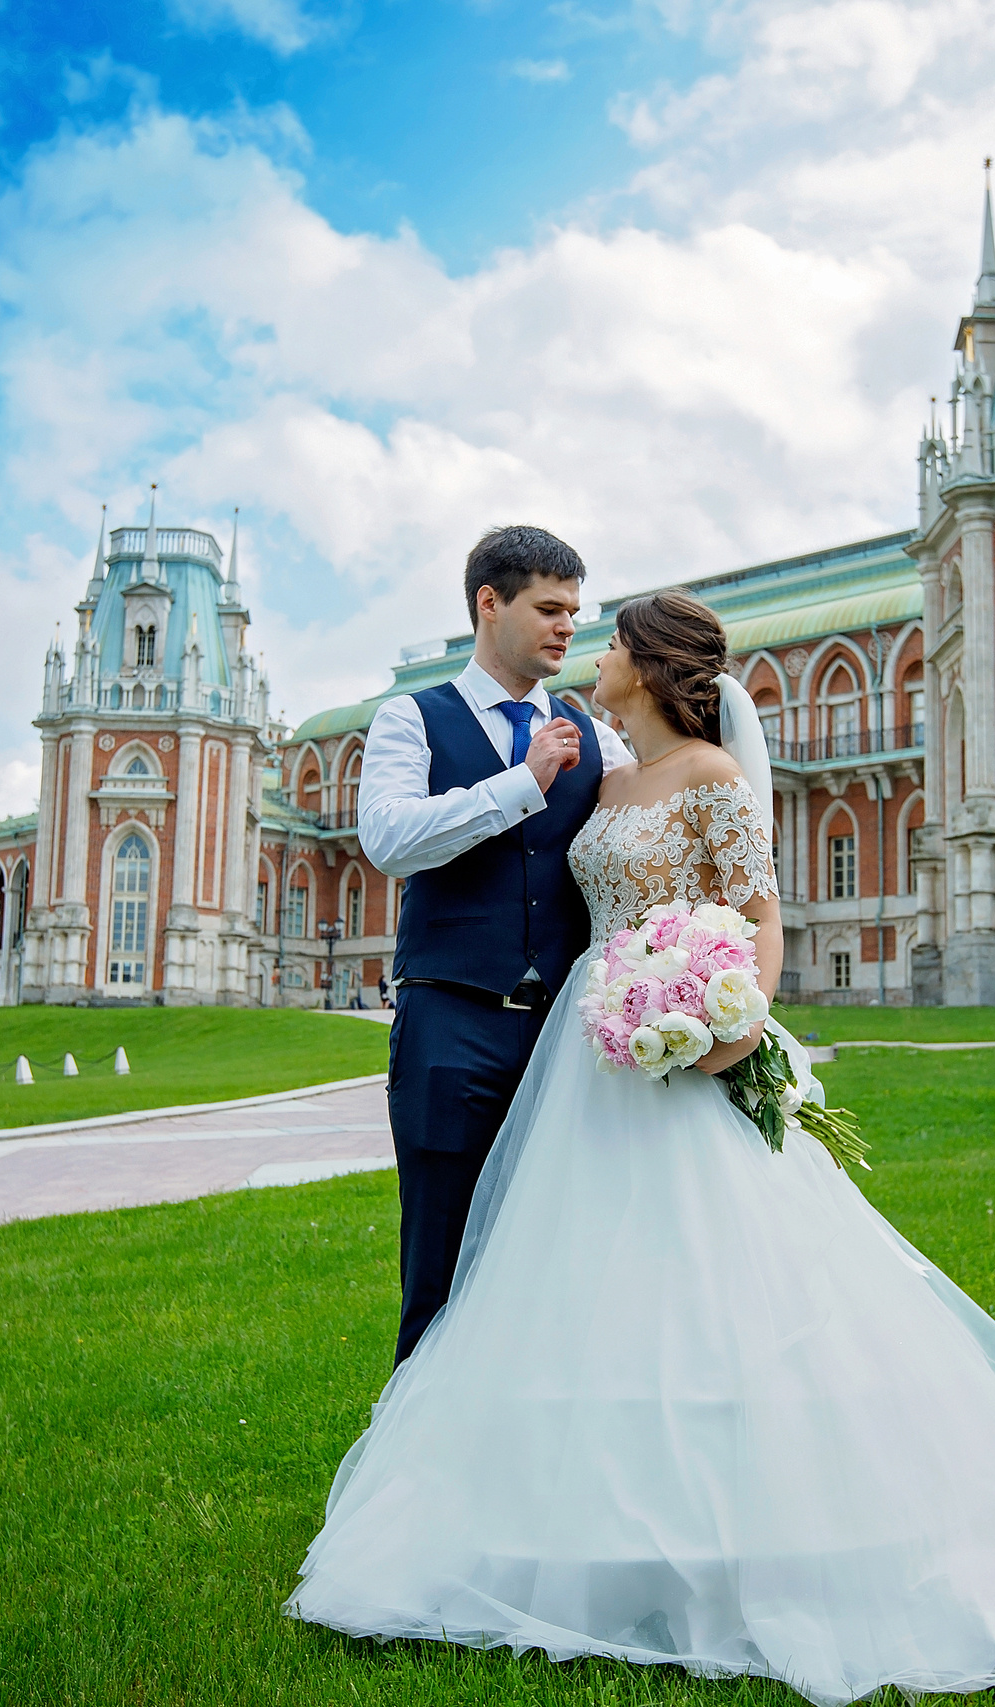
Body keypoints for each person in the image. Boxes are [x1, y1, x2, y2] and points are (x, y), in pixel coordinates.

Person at [290, 590, 995, 1704]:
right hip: (593, 1044)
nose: (596, 650)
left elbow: (758, 912)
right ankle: (566, 1511)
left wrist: (731, 1018)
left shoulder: (717, 779)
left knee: (714, 1272)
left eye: (612, 639)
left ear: (657, 667)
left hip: (686, 1040)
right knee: (578, 1272)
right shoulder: (603, 775)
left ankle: (749, 1518)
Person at [358, 524, 634, 1365]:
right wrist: (522, 784)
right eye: (549, 609)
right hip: (451, 1024)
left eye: (576, 613)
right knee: (437, 1259)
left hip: (565, 1035)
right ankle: (411, 1469)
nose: (567, 629)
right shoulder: (412, 716)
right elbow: (389, 839)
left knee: (560, 1251)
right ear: (489, 603)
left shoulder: (598, 735)